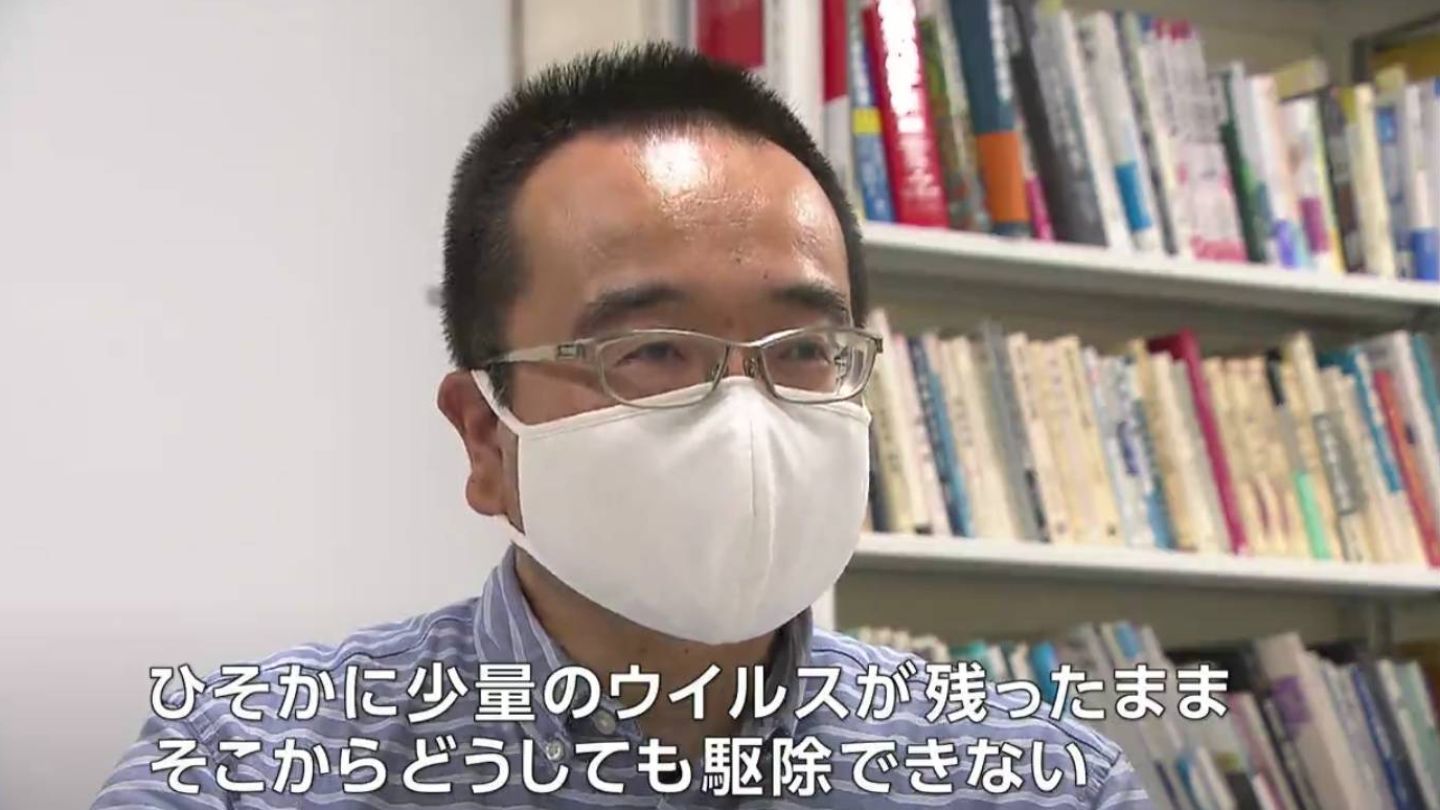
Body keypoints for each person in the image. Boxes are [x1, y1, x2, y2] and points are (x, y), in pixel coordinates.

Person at [93, 44, 1149, 808]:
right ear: (486, 438)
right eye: (650, 351)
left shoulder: (1040, 779)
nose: (744, 417)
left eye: (802, 351)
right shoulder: (252, 765)